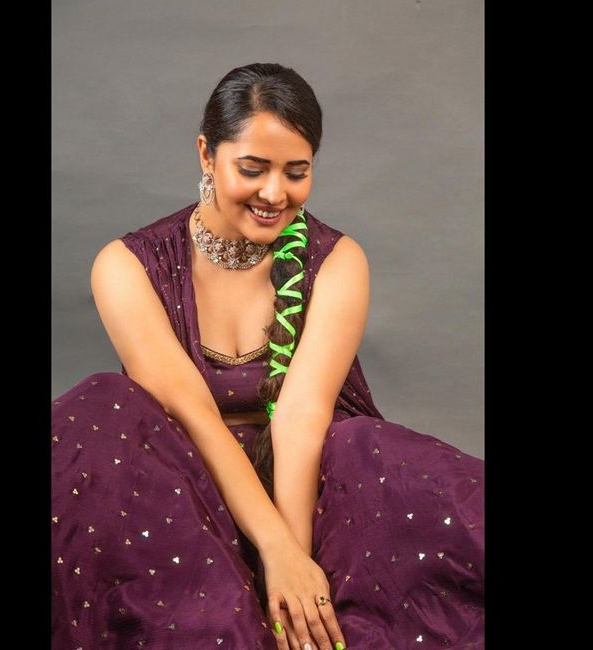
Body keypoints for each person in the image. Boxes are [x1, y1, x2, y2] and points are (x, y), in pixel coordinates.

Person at [52, 62, 484, 650]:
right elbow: (193, 414)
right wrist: (273, 549)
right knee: (103, 405)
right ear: (207, 155)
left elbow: (301, 417)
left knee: (368, 449)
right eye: (252, 169)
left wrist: (294, 565)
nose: (275, 194)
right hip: (182, 491)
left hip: (311, 485)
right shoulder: (127, 266)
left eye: (297, 172)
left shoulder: (337, 260)